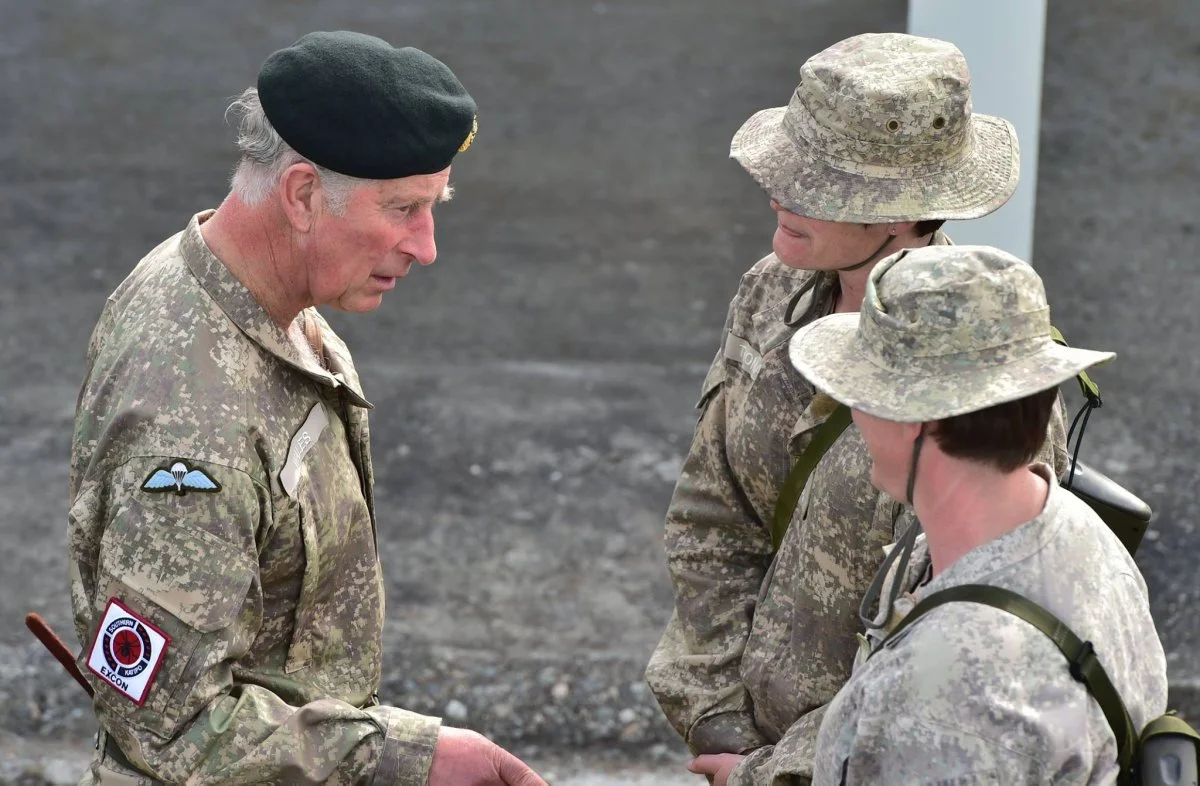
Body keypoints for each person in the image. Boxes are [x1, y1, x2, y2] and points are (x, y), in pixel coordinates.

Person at [67, 30, 544, 786]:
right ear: (301, 194)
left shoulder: (254, 291)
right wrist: (411, 759)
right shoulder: (192, 419)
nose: (426, 246)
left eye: (433, 206)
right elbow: (170, 724)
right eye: (403, 209)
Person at [645, 33, 1070, 785]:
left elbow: (953, 652)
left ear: (909, 214)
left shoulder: (981, 379)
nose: (779, 193)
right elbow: (712, 511)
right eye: (788, 168)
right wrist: (718, 721)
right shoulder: (770, 292)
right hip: (735, 742)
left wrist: (773, 771)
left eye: (820, 185)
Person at [784, 244, 1168, 783]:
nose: (855, 414)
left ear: (913, 417)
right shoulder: (1076, 529)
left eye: (863, 394)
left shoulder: (944, 695)